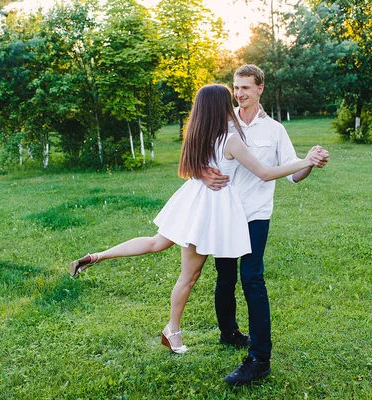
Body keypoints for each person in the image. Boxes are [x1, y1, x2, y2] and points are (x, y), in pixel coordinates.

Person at [69, 83, 325, 355]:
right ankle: (172, 330)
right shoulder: (230, 139)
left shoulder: (198, 133)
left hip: (192, 200)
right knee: (189, 276)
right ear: (222, 106)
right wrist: (305, 160)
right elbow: (263, 172)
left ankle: (96, 256)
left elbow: (189, 167)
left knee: (156, 243)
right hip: (210, 210)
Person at [201, 65, 329, 386]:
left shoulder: (275, 131)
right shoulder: (221, 121)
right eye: (236, 87)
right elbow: (204, 160)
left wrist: (309, 163)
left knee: (252, 278)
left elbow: (295, 174)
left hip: (256, 215)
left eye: (246, 87)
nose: (240, 93)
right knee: (225, 277)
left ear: (260, 89)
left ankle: (260, 358)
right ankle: (229, 333)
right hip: (224, 213)